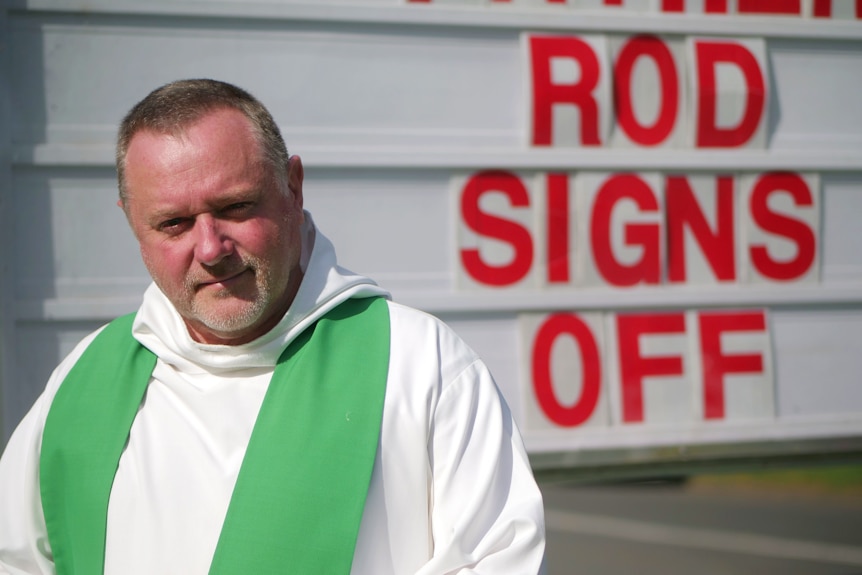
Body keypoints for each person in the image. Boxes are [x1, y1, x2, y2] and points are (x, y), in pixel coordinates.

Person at [0, 79, 546, 574]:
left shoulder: (421, 365)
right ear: (131, 222)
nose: (210, 248)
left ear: (294, 187)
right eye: (174, 223)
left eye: (236, 207)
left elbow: (499, 559)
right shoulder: (83, 381)